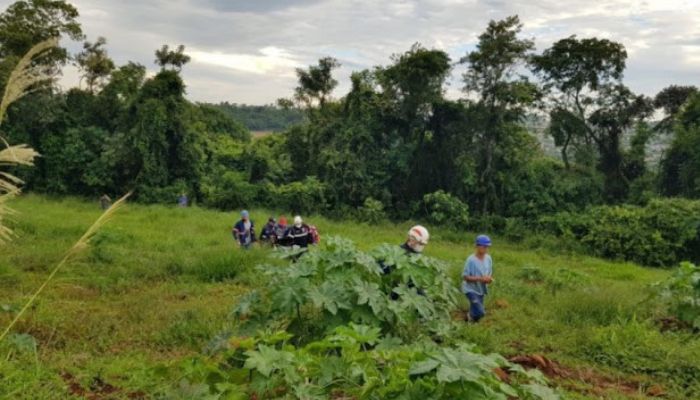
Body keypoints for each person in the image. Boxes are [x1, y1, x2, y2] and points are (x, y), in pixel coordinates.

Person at [462, 234, 493, 322]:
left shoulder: (488, 259)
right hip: (470, 289)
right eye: (484, 246)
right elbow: (465, 277)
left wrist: (488, 279)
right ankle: (468, 316)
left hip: (481, 289)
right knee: (481, 312)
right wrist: (480, 279)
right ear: (477, 246)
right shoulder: (471, 260)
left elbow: (489, 273)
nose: (486, 249)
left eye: (487, 247)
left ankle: (470, 324)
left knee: (476, 312)